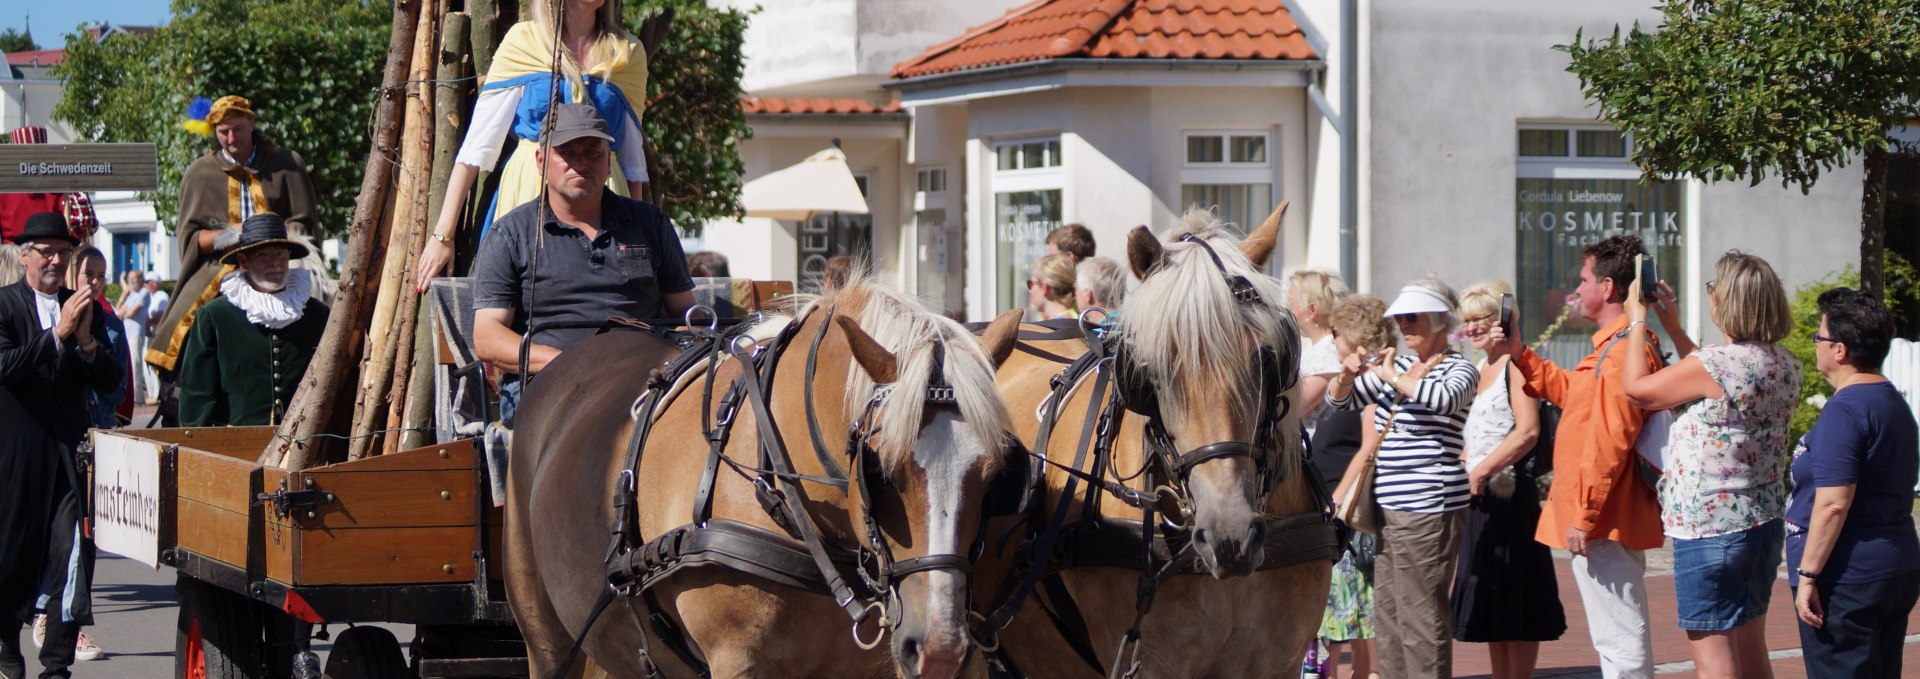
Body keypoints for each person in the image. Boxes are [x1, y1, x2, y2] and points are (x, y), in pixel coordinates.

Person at [1489, 234, 1664, 679]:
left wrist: (1584, 516)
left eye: (1583, 279)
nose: (1576, 289)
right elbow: (1575, 396)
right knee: (1614, 634)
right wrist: (1520, 355)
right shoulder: (1616, 344)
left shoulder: (1625, 347)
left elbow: (1610, 440)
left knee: (1620, 636)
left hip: (1604, 516)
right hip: (1602, 514)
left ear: (1607, 288)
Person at [1617, 252, 1799, 679]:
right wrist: (1676, 330)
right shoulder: (1784, 363)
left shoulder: (1715, 365)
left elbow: (1638, 390)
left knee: (1713, 656)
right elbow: (1711, 375)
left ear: (1729, 301)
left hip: (1709, 527)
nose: (1710, 295)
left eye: (1713, 288)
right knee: (1753, 647)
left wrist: (1636, 320)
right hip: (1762, 522)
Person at [416, 0, 662, 292]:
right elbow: (476, 148)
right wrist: (443, 235)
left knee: (606, 302)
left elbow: (633, 163)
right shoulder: (524, 42)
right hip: (531, 186)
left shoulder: (627, 52)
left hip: (604, 191)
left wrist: (638, 235)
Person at [471, 104, 694, 426]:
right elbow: (489, 338)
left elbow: (686, 315)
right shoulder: (511, 233)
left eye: (592, 152)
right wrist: (570, 364)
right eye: (567, 153)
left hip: (644, 379)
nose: (581, 163)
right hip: (549, 384)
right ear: (541, 161)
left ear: (608, 161)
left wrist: (667, 360)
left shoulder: (650, 223)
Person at [1328, 277, 1477, 679]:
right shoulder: (1405, 365)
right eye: (1401, 318)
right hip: (1388, 507)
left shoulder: (1459, 368)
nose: (1405, 325)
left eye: (1413, 317)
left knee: (1422, 615)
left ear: (1439, 320)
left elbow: (1442, 400)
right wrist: (1345, 376)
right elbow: (1339, 402)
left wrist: (1391, 377)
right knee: (1390, 613)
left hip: (1428, 505)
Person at [0, 212, 121, 679]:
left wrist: (87, 341)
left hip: (69, 460)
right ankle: (7, 641)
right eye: (45, 251)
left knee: (71, 559)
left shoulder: (83, 306)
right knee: (10, 560)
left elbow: (110, 380)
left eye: (62, 252)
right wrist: (57, 335)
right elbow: (6, 366)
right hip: (16, 458)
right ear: (25, 255)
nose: (54, 260)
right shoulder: (6, 306)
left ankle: (56, 665)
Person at [1786, 288, 1920, 679]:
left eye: (1819, 337)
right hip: (1890, 565)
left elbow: (1833, 503)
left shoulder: (1846, 410)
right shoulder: (1890, 401)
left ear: (1840, 350)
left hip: (1848, 577)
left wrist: (1808, 575)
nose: (1816, 346)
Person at [148, 95, 319, 393]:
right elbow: (191, 240)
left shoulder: (287, 164)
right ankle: (182, 390)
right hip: (220, 265)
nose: (230, 138)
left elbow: (304, 224)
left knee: (323, 311)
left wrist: (268, 233)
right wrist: (230, 236)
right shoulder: (199, 173)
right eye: (223, 132)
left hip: (282, 259)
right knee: (182, 324)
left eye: (237, 129)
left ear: (252, 123)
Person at [1450, 279, 1563, 679]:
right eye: (1468, 320)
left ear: (1502, 319)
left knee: (1518, 599)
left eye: (1482, 317)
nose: (1474, 327)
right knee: (1492, 603)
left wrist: (1482, 468)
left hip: (1510, 495)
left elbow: (1527, 431)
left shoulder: (1515, 366)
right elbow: (1474, 434)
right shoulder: (1480, 368)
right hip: (1479, 496)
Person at [177, 214, 329, 428]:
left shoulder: (317, 314)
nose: (275, 262)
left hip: (303, 445)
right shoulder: (215, 316)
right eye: (264, 255)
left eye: (280, 254)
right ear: (243, 262)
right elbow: (196, 397)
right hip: (235, 449)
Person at [1309, 293, 1390, 679]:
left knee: (1355, 601)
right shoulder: (1354, 380)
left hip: (1347, 511)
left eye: (1337, 331)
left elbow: (1370, 445)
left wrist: (1337, 499)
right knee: (1351, 602)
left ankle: (1366, 673)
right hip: (1334, 502)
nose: (1332, 338)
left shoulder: (1373, 383)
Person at [1289, 268, 1351, 423]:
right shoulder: (1322, 350)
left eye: (1291, 306)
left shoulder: (1328, 352)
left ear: (1312, 310)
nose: (1287, 313)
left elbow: (1292, 408)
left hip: (1315, 445)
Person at [114, 270, 149, 405]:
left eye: (134, 278)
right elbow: (118, 311)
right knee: (128, 366)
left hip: (136, 334)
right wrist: (124, 310)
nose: (132, 281)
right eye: (130, 278)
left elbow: (131, 313)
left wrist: (124, 312)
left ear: (141, 279)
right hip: (127, 334)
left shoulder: (143, 293)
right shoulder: (132, 295)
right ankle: (131, 397)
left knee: (135, 366)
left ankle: (138, 398)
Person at [142, 277, 170, 403]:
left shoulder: (161, 296)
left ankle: (158, 394)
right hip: (149, 335)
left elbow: (161, 315)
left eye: (147, 282)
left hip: (156, 336)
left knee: (154, 365)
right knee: (147, 366)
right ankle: (152, 394)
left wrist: (146, 321)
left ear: (154, 283)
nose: (145, 285)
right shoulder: (150, 296)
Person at [1026, 253, 1076, 321]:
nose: (1030, 290)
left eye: (1031, 284)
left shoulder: (1054, 327)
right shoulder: (1076, 320)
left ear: (1044, 288)